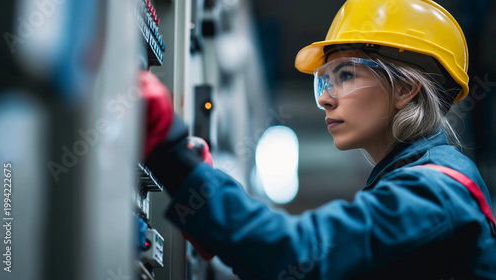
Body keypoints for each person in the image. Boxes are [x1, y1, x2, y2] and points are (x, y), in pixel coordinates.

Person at [141, 0, 496, 279]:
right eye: (323, 80)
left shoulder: (436, 192)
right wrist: (211, 218)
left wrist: (174, 155)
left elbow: (302, 257)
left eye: (345, 75)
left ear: (405, 88)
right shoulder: (419, 184)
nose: (326, 97)